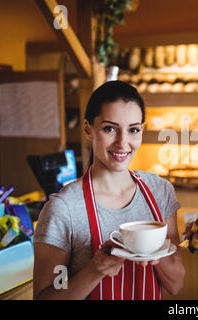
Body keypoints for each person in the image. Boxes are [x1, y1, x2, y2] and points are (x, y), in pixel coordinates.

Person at [33, 80, 185, 300]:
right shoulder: (64, 208)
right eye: (110, 128)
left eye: (133, 130)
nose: (123, 143)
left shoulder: (160, 192)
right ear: (88, 129)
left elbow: (177, 284)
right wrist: (95, 270)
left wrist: (155, 253)